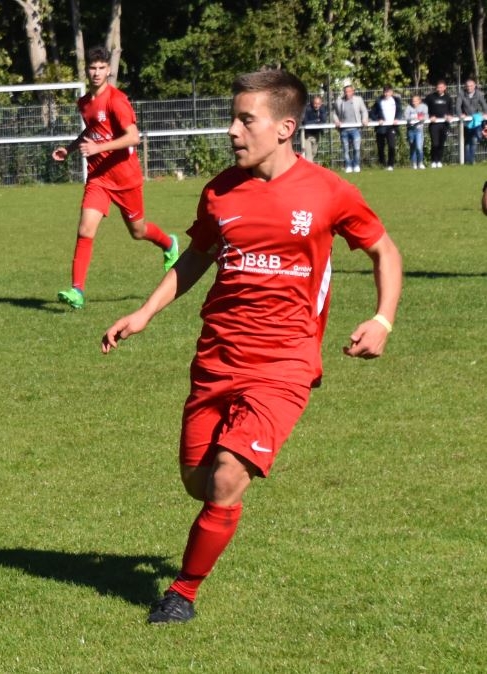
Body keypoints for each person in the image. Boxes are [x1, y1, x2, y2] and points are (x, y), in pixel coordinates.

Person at [101, 69, 402, 625]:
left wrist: (383, 319)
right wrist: (144, 312)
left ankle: (182, 592)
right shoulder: (219, 190)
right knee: (197, 481)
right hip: (217, 357)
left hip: (286, 362)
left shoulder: (329, 191)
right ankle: (209, 523)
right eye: (233, 119)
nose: (233, 131)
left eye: (246, 120)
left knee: (226, 478)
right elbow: (196, 256)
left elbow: (384, 250)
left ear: (285, 127)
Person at [51, 45, 178, 310]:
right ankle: (77, 291)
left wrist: (99, 148)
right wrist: (70, 149)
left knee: (138, 231)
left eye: (101, 68)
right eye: (92, 68)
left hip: (125, 179)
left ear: (109, 70)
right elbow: (92, 131)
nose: (96, 72)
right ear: (87, 70)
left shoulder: (116, 100)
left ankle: (168, 244)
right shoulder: (84, 103)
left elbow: (133, 137)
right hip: (98, 178)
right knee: (85, 230)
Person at [332, 84, 368, 173]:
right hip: (344, 130)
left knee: (356, 148)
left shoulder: (358, 100)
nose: (347, 93)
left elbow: (364, 111)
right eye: (346, 92)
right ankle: (348, 165)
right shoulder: (339, 101)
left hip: (356, 129)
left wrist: (364, 119)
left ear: (353, 92)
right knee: (346, 149)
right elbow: (335, 114)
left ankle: (356, 165)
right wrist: (337, 121)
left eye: (349, 91)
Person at [369, 86, 402, 170]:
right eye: (385, 92)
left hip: (391, 127)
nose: (386, 94)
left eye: (388, 92)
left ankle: (391, 164)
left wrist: (397, 118)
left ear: (391, 92)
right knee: (380, 147)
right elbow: (371, 113)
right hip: (381, 127)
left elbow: (399, 111)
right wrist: (378, 119)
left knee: (391, 146)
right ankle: (382, 164)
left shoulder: (396, 100)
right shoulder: (379, 101)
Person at [456, 78, 487, 164]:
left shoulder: (478, 94)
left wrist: (485, 113)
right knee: (467, 141)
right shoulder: (461, 94)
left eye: (471, 86)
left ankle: (472, 160)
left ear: (474, 86)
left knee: (474, 140)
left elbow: (484, 105)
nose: (469, 87)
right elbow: (458, 106)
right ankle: (467, 160)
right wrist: (460, 114)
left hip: (475, 121)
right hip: (465, 121)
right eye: (467, 86)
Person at [424, 79, 454, 168]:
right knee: (435, 143)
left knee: (441, 143)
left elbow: (451, 110)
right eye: (438, 87)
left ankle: (439, 161)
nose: (439, 89)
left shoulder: (448, 98)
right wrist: (430, 116)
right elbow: (423, 108)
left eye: (441, 87)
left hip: (444, 124)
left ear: (445, 88)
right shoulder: (430, 97)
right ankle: (433, 161)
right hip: (434, 124)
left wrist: (450, 116)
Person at [404, 94, 428, 169]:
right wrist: (414, 118)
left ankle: (420, 163)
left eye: (415, 101)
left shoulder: (424, 107)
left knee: (419, 147)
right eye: (413, 101)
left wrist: (421, 118)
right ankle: (413, 164)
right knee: (412, 147)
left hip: (419, 130)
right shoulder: (408, 107)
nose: (414, 102)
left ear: (419, 101)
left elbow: (426, 116)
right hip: (410, 130)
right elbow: (406, 117)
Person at [301, 94, 327, 163]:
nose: (316, 105)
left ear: (321, 103)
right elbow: (305, 122)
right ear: (312, 103)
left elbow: (323, 120)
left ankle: (306, 166)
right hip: (307, 135)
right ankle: (309, 168)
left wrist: (317, 121)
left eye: (318, 104)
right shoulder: (307, 109)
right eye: (315, 103)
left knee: (314, 153)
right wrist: (316, 121)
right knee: (308, 157)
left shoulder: (322, 108)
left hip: (316, 134)